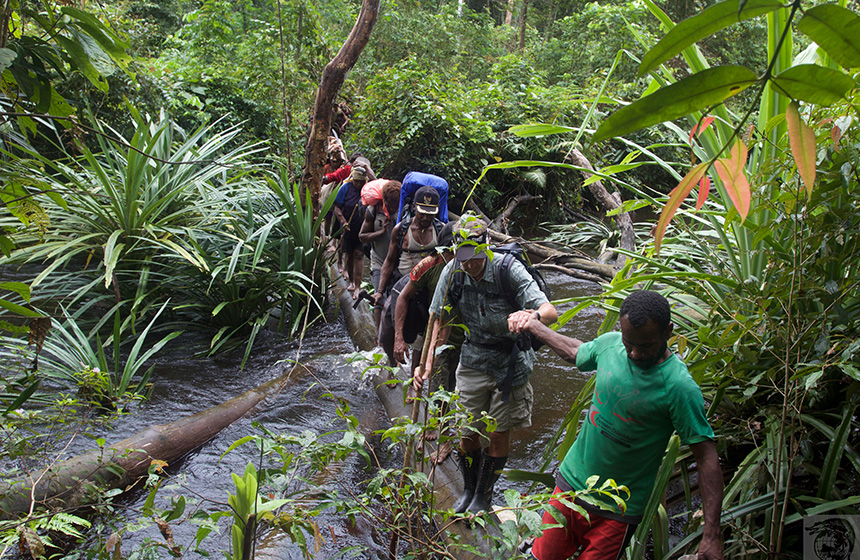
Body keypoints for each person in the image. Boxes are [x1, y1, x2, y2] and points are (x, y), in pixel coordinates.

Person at [517, 290, 724, 560]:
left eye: (646, 345)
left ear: (668, 331)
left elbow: (706, 456)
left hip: (617, 511)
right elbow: (575, 351)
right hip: (570, 485)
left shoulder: (679, 387)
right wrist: (534, 325)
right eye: (629, 343)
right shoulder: (611, 345)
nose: (635, 353)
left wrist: (711, 534)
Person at [415, 215, 558, 515]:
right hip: (474, 357)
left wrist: (530, 317)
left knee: (497, 433)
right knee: (466, 432)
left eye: (474, 257)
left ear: (487, 246)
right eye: (463, 258)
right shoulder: (453, 271)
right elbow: (436, 317)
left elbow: (550, 310)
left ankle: (484, 495)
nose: (469, 265)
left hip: (510, 363)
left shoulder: (508, 269)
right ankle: (468, 488)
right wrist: (425, 364)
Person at [372, 186, 445, 307]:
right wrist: (380, 291)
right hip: (402, 283)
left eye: (430, 214)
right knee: (388, 313)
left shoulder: (440, 230)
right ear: (414, 207)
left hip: (430, 288)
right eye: (422, 213)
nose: (426, 218)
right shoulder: (401, 230)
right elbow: (390, 260)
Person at [359, 180, 402, 327]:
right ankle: (378, 338)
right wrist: (381, 232)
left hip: (398, 261)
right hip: (378, 259)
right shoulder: (373, 211)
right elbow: (362, 236)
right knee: (378, 298)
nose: (391, 208)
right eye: (389, 205)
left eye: (395, 206)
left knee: (397, 298)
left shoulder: (404, 211)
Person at [333, 166, 368, 296]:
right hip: (348, 228)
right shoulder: (345, 188)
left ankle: (358, 286)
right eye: (356, 181)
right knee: (349, 254)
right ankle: (351, 282)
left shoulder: (367, 189)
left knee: (359, 254)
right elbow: (337, 207)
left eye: (361, 181)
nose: (358, 184)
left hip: (363, 229)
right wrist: (343, 221)